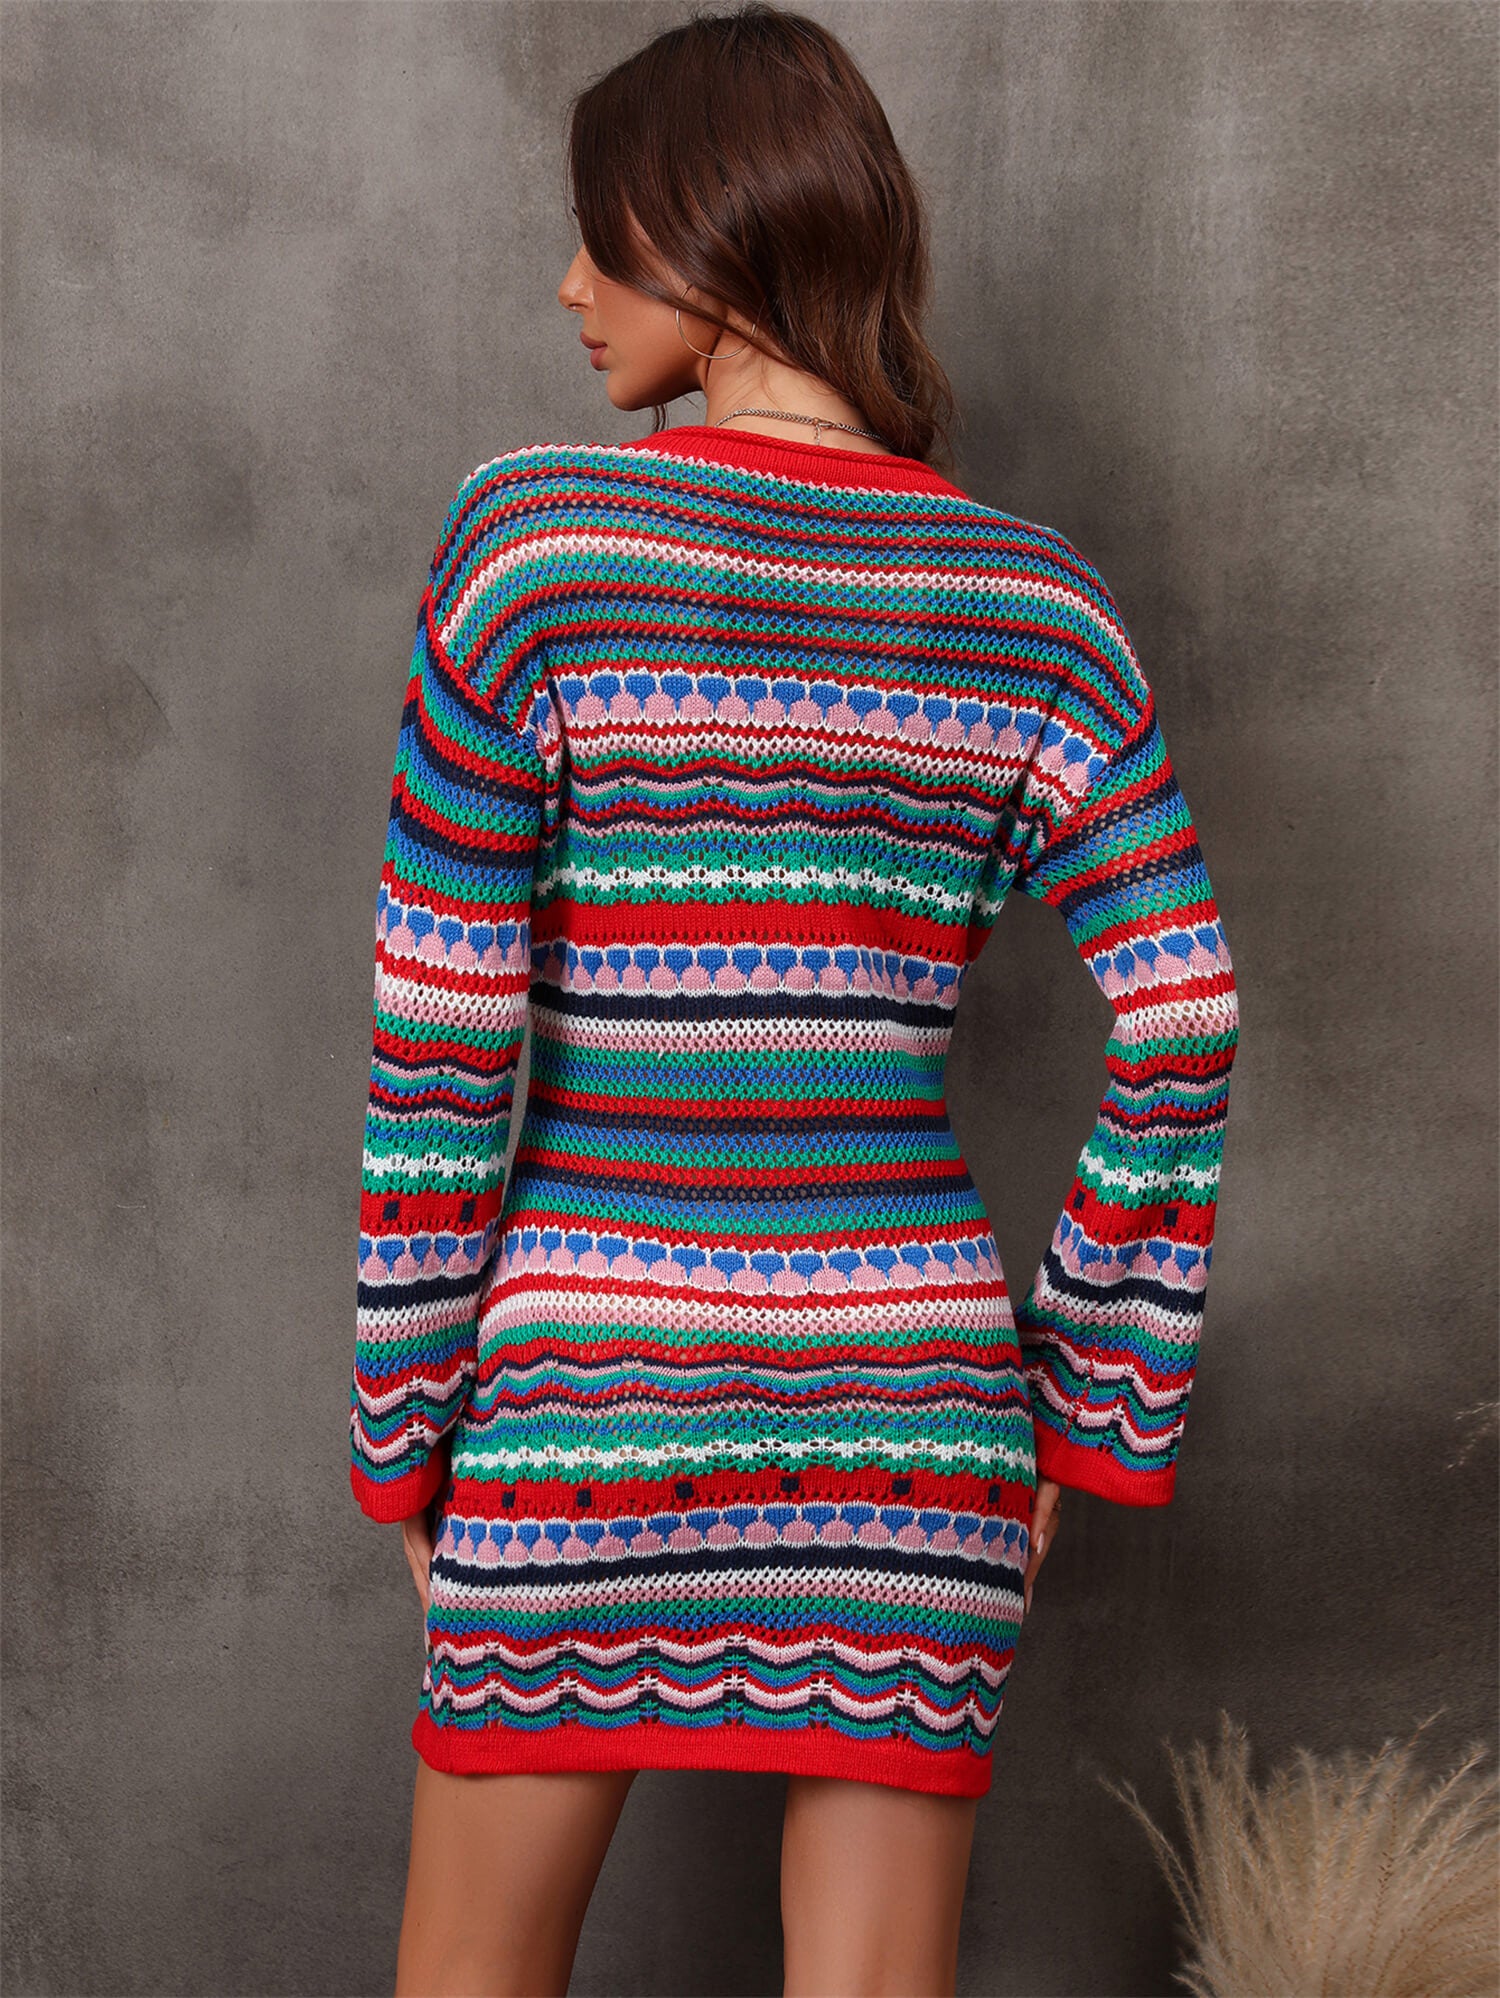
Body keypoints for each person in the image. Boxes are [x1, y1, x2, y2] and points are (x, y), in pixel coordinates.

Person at [347, 6, 1241, 1993]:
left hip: (582, 1395)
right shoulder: (1038, 606)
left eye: (599, 231)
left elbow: (444, 1032)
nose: (567, 285)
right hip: (916, 1412)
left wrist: (407, 1424)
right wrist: (1081, 1413)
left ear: (713, 229)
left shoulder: (538, 547)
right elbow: (1185, 1011)